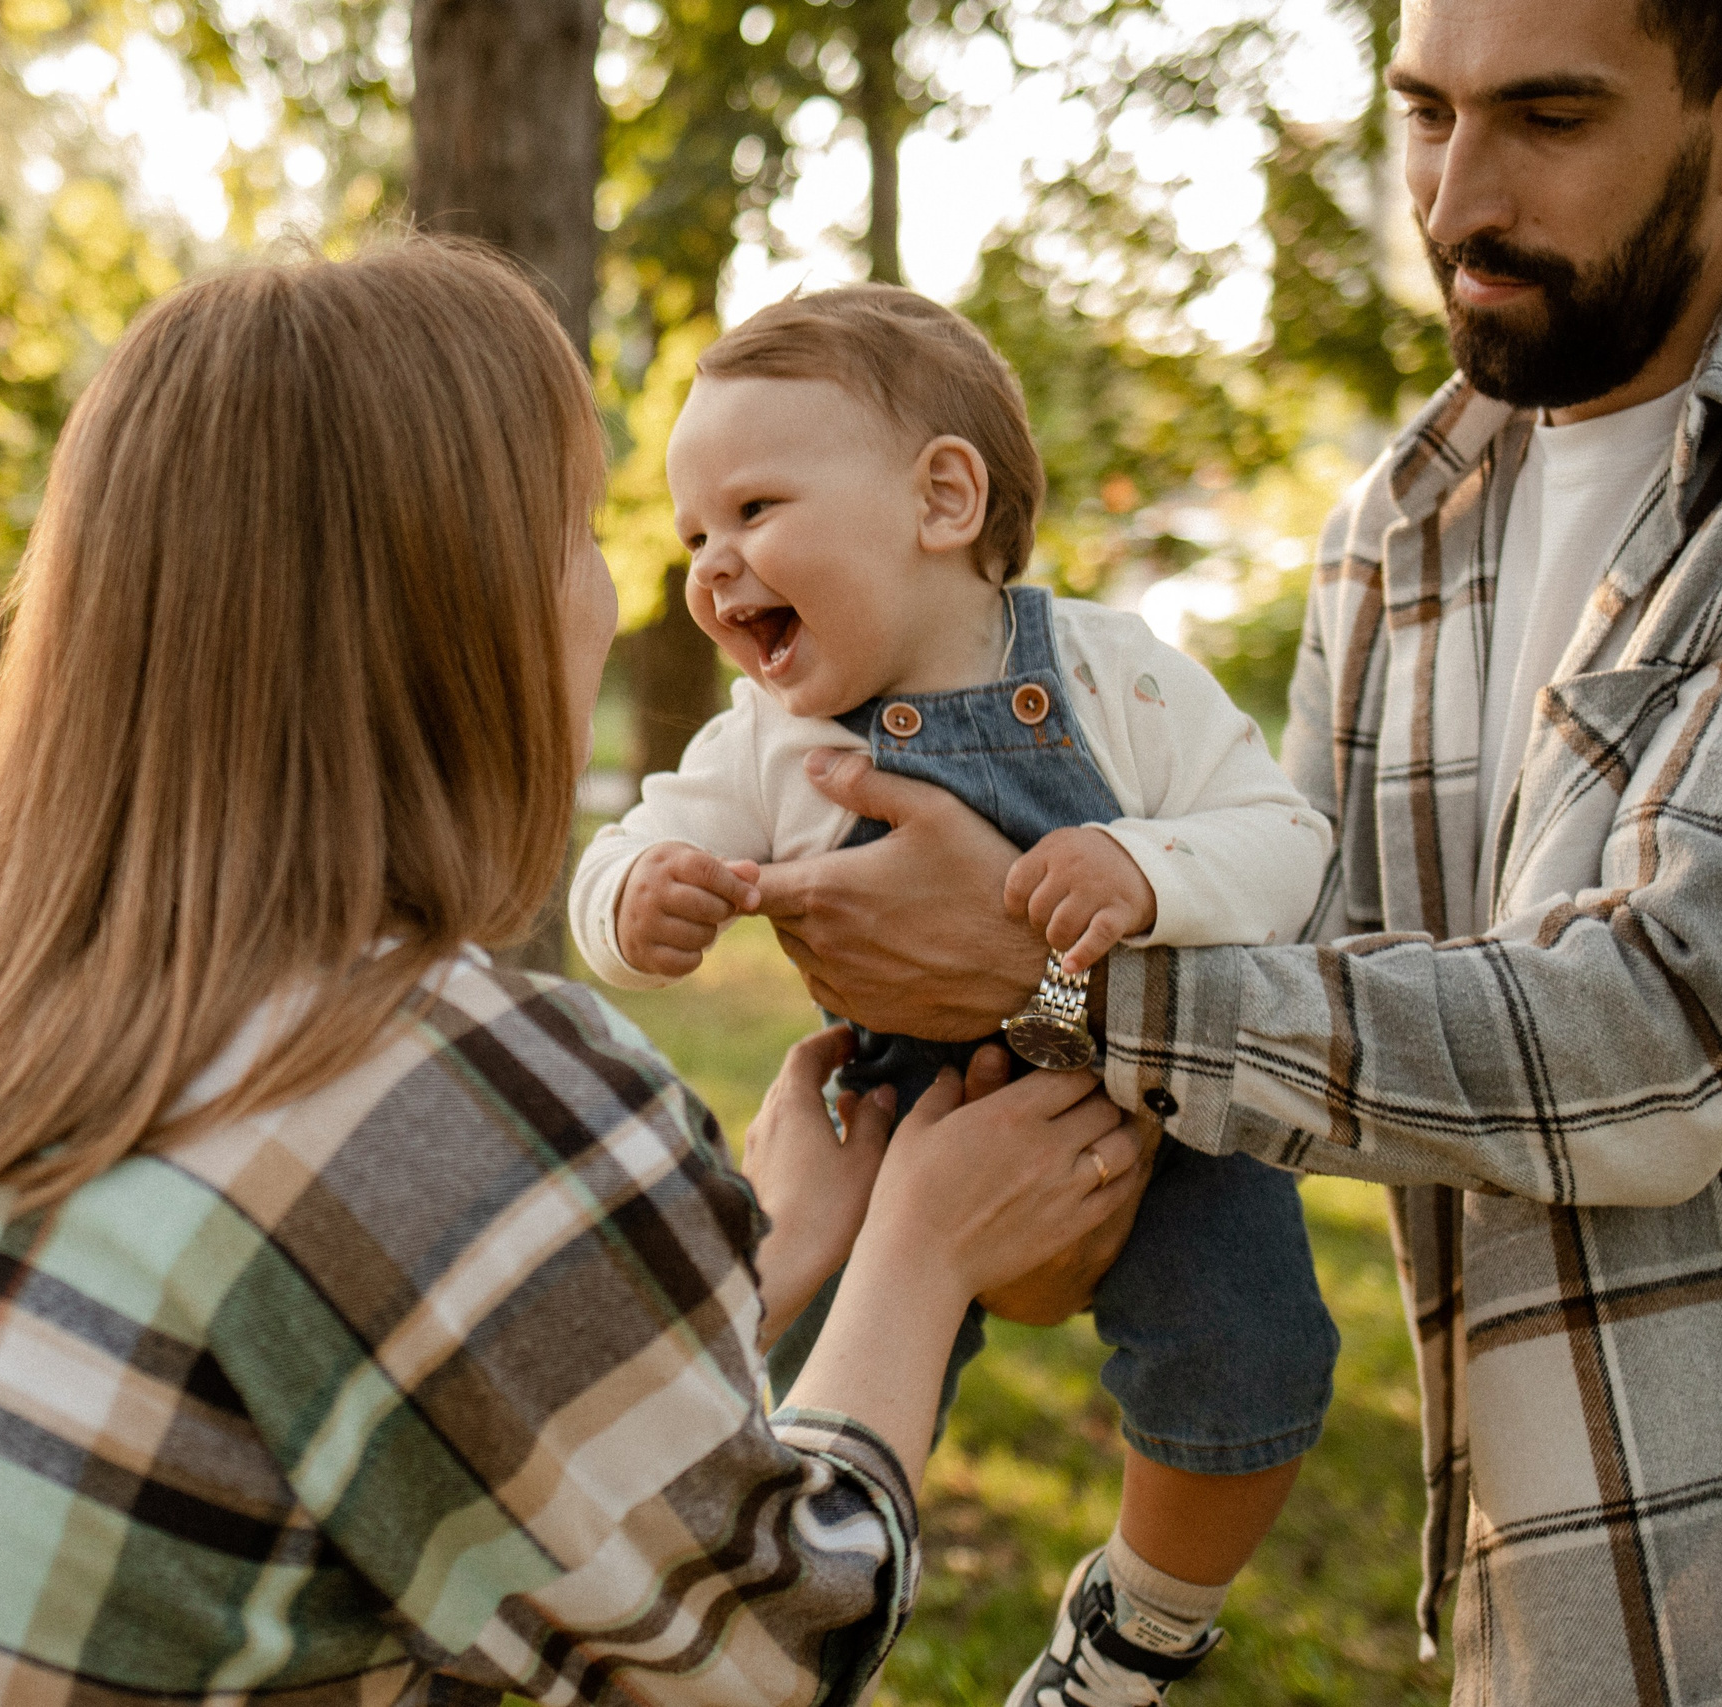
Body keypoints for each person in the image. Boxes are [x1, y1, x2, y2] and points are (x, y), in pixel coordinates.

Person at [738, 1, 1722, 1703]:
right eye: (1423, 114)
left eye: (1549, 119)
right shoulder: (1399, 525)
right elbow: (1321, 1034)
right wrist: (968, 1140)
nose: (1459, 196)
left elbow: (1664, 1039)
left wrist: (1056, 986)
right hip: (1539, 1603)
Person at [0, 240, 1146, 1706]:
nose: (624, 605)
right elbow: (767, 1655)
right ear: (456, 614)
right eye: (581, 538)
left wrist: (778, 1259)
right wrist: (917, 1257)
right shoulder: (441, 1086)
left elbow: (382, 1410)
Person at [568, 285, 1341, 1705]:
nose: (711, 565)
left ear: (940, 498)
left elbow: (1285, 841)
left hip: (1152, 1109)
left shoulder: (1115, 676)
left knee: (1252, 1356)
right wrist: (635, 896)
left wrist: (1141, 866)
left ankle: (1138, 1638)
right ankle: (778, 1627)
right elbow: (621, 847)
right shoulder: (765, 739)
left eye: (751, 509)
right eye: (693, 536)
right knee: (772, 1384)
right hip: (889, 1120)